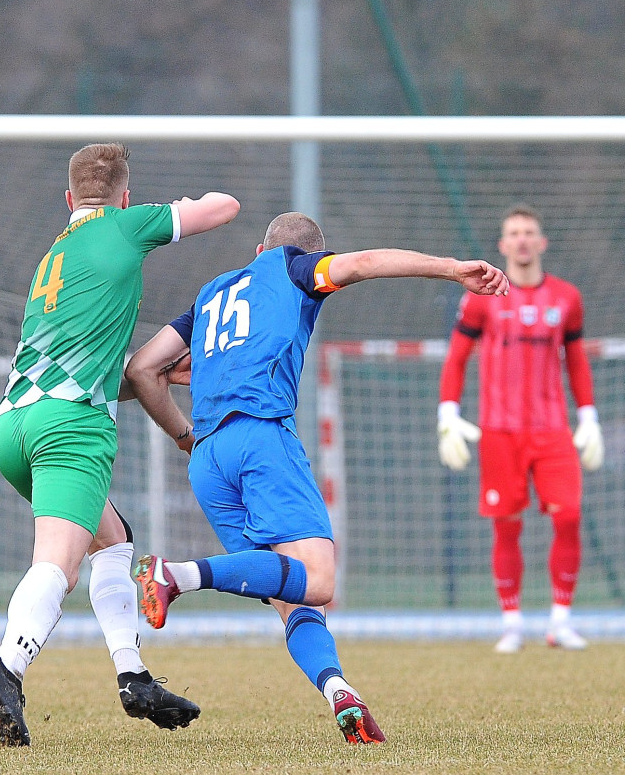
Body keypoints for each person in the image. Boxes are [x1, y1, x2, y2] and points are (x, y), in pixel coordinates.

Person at [124, 211, 509, 745]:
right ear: (301, 255)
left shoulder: (210, 296)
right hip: (261, 439)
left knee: (295, 597)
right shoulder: (294, 269)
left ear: (257, 247)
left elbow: (143, 369)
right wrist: (452, 269)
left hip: (208, 461)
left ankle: (339, 693)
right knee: (322, 581)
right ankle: (177, 575)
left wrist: (184, 434)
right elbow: (367, 264)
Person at [0, 142, 240, 746]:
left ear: (68, 199)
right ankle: (6, 667)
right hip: (69, 428)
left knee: (113, 542)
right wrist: (163, 211)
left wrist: (149, 379)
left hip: (14, 423)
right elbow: (224, 207)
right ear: (121, 195)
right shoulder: (125, 223)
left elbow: (80, 369)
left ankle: (135, 678)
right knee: (57, 565)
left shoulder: (53, 255)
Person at [437, 204, 604, 654]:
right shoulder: (481, 297)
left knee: (568, 517)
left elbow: (578, 360)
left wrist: (588, 415)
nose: (523, 239)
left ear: (541, 242)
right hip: (500, 431)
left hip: (552, 430)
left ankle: (560, 622)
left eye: (530, 231)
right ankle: (512, 622)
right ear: (503, 245)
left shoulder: (567, 297)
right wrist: (447, 411)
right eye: (515, 232)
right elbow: (456, 357)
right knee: (506, 527)